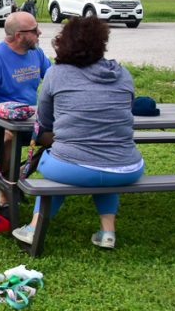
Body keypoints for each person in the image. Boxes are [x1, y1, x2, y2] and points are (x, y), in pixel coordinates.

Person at [12, 17, 144, 249]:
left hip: (72, 166)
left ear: (63, 42)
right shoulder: (123, 73)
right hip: (127, 167)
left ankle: (34, 227)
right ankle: (108, 232)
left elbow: (44, 121)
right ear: (102, 43)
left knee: (55, 163)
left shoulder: (56, 74)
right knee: (101, 167)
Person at [0, 11, 53, 203]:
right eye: (34, 30)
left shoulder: (37, 53)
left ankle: (21, 173)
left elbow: (52, 78)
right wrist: (4, 123)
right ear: (19, 35)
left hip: (27, 120)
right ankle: (4, 196)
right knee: (6, 138)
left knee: (62, 136)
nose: (39, 32)